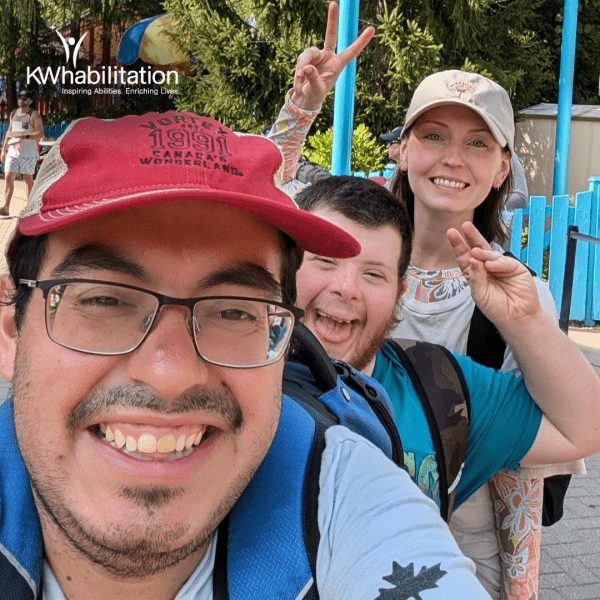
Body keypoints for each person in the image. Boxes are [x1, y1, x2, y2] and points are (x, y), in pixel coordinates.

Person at [0, 111, 496, 599]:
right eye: (104, 300)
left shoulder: (343, 494)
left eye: (235, 312)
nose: (168, 374)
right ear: (10, 329)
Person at [271, 24, 588, 596]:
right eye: (434, 136)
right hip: (297, 522)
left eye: (478, 144)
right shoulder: (345, 238)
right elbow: (267, 198)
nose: (452, 159)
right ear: (402, 148)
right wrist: (303, 106)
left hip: (451, 547)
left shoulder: (511, 296)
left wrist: (519, 590)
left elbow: (523, 470)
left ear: (502, 169)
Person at [293, 174, 596, 599]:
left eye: (373, 274)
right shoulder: (228, 373)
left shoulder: (440, 388)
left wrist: (522, 321)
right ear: (285, 267)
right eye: (325, 261)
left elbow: (582, 428)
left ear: (399, 293)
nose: (345, 287)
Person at [0, 89, 44, 216]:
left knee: (28, 179)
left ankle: (29, 207)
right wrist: (4, 150)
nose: (21, 100)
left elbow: (40, 134)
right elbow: (9, 132)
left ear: (30, 101)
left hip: (28, 153)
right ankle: (6, 207)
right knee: (8, 177)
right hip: (13, 152)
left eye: (24, 98)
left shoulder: (34, 115)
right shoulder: (13, 113)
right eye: (19, 98)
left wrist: (24, 136)